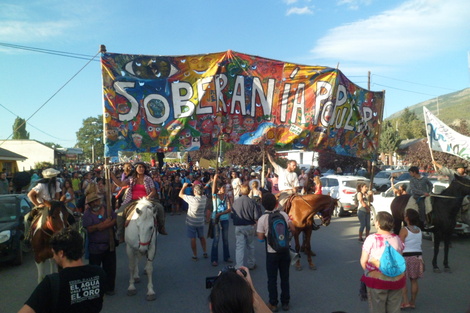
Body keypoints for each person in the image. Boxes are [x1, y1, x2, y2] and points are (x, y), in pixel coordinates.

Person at [18, 228, 107, 313]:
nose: (53, 257)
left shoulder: (52, 283)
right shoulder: (98, 273)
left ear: (61, 253)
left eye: (54, 253)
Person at [360, 211, 405, 313]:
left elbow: (363, 261)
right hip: (397, 279)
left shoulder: (371, 239)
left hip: (377, 280)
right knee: (394, 309)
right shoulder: (397, 238)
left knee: (377, 309)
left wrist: (370, 274)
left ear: (378, 223)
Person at [257, 192, 295, 312]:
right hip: (285, 250)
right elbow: (293, 229)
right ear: (276, 204)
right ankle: (285, 302)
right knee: (285, 277)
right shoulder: (283, 214)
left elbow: (260, 238)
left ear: (263, 205)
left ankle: (273, 303)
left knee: (272, 278)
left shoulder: (262, 219)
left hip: (271, 252)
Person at [110, 161, 167, 242]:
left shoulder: (148, 179)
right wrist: (112, 175)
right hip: (132, 200)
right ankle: (121, 233)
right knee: (120, 213)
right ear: (135, 169)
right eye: (139, 167)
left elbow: (153, 191)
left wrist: (148, 196)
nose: (141, 169)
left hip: (146, 200)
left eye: (143, 167)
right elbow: (120, 184)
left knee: (160, 208)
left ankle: (161, 227)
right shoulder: (131, 179)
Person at [82, 192, 117, 296]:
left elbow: (114, 220)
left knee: (110, 268)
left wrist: (104, 225)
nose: (95, 203)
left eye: (96, 200)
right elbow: (89, 229)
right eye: (92, 202)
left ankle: (109, 288)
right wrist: (102, 225)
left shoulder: (107, 208)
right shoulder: (87, 214)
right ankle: (95, 290)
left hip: (109, 244)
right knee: (94, 270)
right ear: (89, 204)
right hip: (95, 247)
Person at [24, 168, 62, 245]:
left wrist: (56, 201)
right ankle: (28, 237)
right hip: (42, 206)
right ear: (51, 178)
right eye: (54, 177)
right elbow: (30, 195)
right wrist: (37, 204)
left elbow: (58, 195)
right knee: (27, 218)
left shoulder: (56, 184)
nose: (56, 178)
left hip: (53, 206)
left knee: (68, 213)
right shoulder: (41, 185)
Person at [399, 209, 424, 310]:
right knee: (414, 281)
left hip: (406, 257)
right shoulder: (419, 230)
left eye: (405, 215)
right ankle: (412, 302)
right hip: (418, 257)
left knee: (402, 280)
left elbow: (400, 245)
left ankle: (405, 302)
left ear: (407, 218)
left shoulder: (404, 230)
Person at [232, 185, 261, 270]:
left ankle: (239, 266)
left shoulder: (236, 202)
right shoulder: (252, 202)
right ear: (249, 192)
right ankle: (251, 264)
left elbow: (233, 215)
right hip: (249, 225)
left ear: (241, 191)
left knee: (239, 247)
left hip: (239, 226)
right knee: (250, 246)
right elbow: (256, 216)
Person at [179, 183, 208, 260]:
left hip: (191, 222)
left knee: (193, 238)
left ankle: (195, 255)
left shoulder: (192, 199)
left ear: (195, 191)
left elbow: (180, 194)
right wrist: (196, 187)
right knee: (202, 237)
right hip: (200, 221)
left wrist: (184, 186)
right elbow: (202, 192)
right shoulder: (204, 198)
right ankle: (205, 251)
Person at [210, 173, 233, 267]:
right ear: (219, 188)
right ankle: (214, 259)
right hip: (216, 220)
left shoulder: (226, 196)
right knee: (216, 239)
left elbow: (229, 208)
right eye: (223, 188)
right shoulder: (215, 196)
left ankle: (226, 257)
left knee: (225, 239)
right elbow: (213, 189)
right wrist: (215, 180)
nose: (224, 189)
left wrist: (221, 213)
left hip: (224, 219)